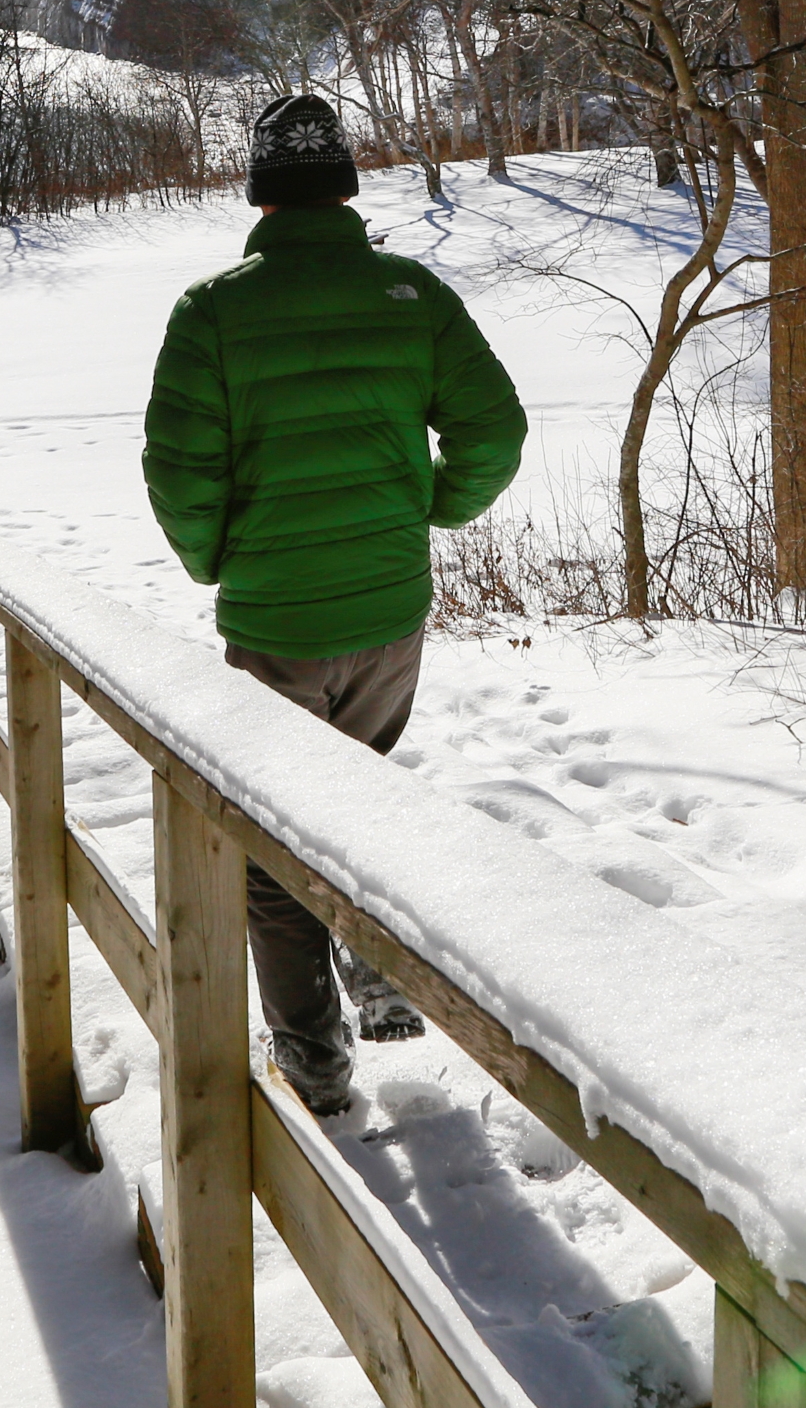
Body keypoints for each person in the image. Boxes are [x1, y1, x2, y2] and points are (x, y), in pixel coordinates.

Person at [140, 91, 525, 1113]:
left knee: (274, 849)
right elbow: (496, 432)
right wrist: (431, 511)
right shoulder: (413, 294)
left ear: (261, 196)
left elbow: (180, 474)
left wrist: (217, 559)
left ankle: (314, 1065)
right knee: (359, 792)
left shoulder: (213, 310)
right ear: (346, 185)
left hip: (276, 624)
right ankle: (379, 981)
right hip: (389, 613)